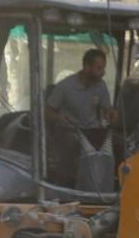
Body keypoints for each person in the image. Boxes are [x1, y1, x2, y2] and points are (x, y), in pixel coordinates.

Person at [45, 48, 116, 191]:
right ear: (86, 67)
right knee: (69, 145)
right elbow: (47, 112)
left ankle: (112, 188)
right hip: (70, 130)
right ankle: (64, 189)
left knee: (122, 144)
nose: (103, 72)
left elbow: (107, 109)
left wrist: (111, 114)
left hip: (94, 131)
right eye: (99, 68)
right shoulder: (65, 86)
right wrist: (59, 117)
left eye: (103, 68)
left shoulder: (101, 85)